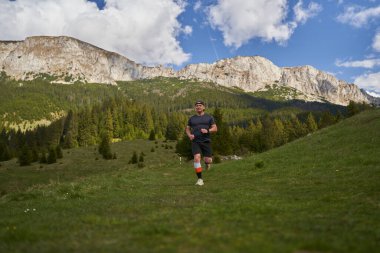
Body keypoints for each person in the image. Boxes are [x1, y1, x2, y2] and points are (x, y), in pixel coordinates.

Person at [186, 100, 217, 186]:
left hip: (206, 141)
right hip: (195, 141)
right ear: (195, 108)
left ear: (203, 107)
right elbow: (187, 129)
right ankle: (200, 179)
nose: (198, 107)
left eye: (200, 105)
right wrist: (189, 135)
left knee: (208, 160)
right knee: (197, 158)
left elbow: (215, 128)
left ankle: (207, 163)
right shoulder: (192, 118)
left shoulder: (209, 117)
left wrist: (207, 130)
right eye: (196, 105)